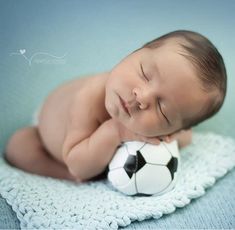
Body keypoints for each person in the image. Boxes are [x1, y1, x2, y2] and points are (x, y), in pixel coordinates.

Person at [5, 30, 227, 182]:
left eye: (162, 110)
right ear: (136, 51)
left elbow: (184, 135)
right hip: (53, 140)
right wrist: (115, 131)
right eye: (144, 73)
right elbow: (77, 163)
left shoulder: (171, 131)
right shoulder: (89, 98)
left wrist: (172, 137)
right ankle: (71, 180)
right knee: (19, 146)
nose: (142, 97)